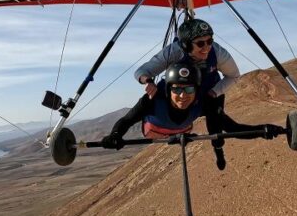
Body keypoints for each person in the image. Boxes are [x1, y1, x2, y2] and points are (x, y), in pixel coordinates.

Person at [103, 62, 283, 166]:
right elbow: (126, 120)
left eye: (189, 89)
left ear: (196, 90)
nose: (183, 96)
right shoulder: (152, 100)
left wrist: (265, 130)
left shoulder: (200, 103)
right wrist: (115, 135)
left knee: (216, 124)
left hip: (180, 130)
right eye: (177, 89)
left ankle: (218, 150)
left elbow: (232, 128)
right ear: (168, 90)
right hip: (154, 128)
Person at [134, 18, 240, 169]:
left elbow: (234, 75)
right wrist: (148, 81)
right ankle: (174, 133)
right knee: (174, 108)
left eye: (209, 41)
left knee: (216, 121)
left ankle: (218, 148)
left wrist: (214, 92)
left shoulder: (217, 52)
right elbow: (142, 71)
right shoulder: (173, 52)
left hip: (208, 90)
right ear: (186, 45)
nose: (207, 47)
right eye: (200, 43)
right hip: (186, 92)